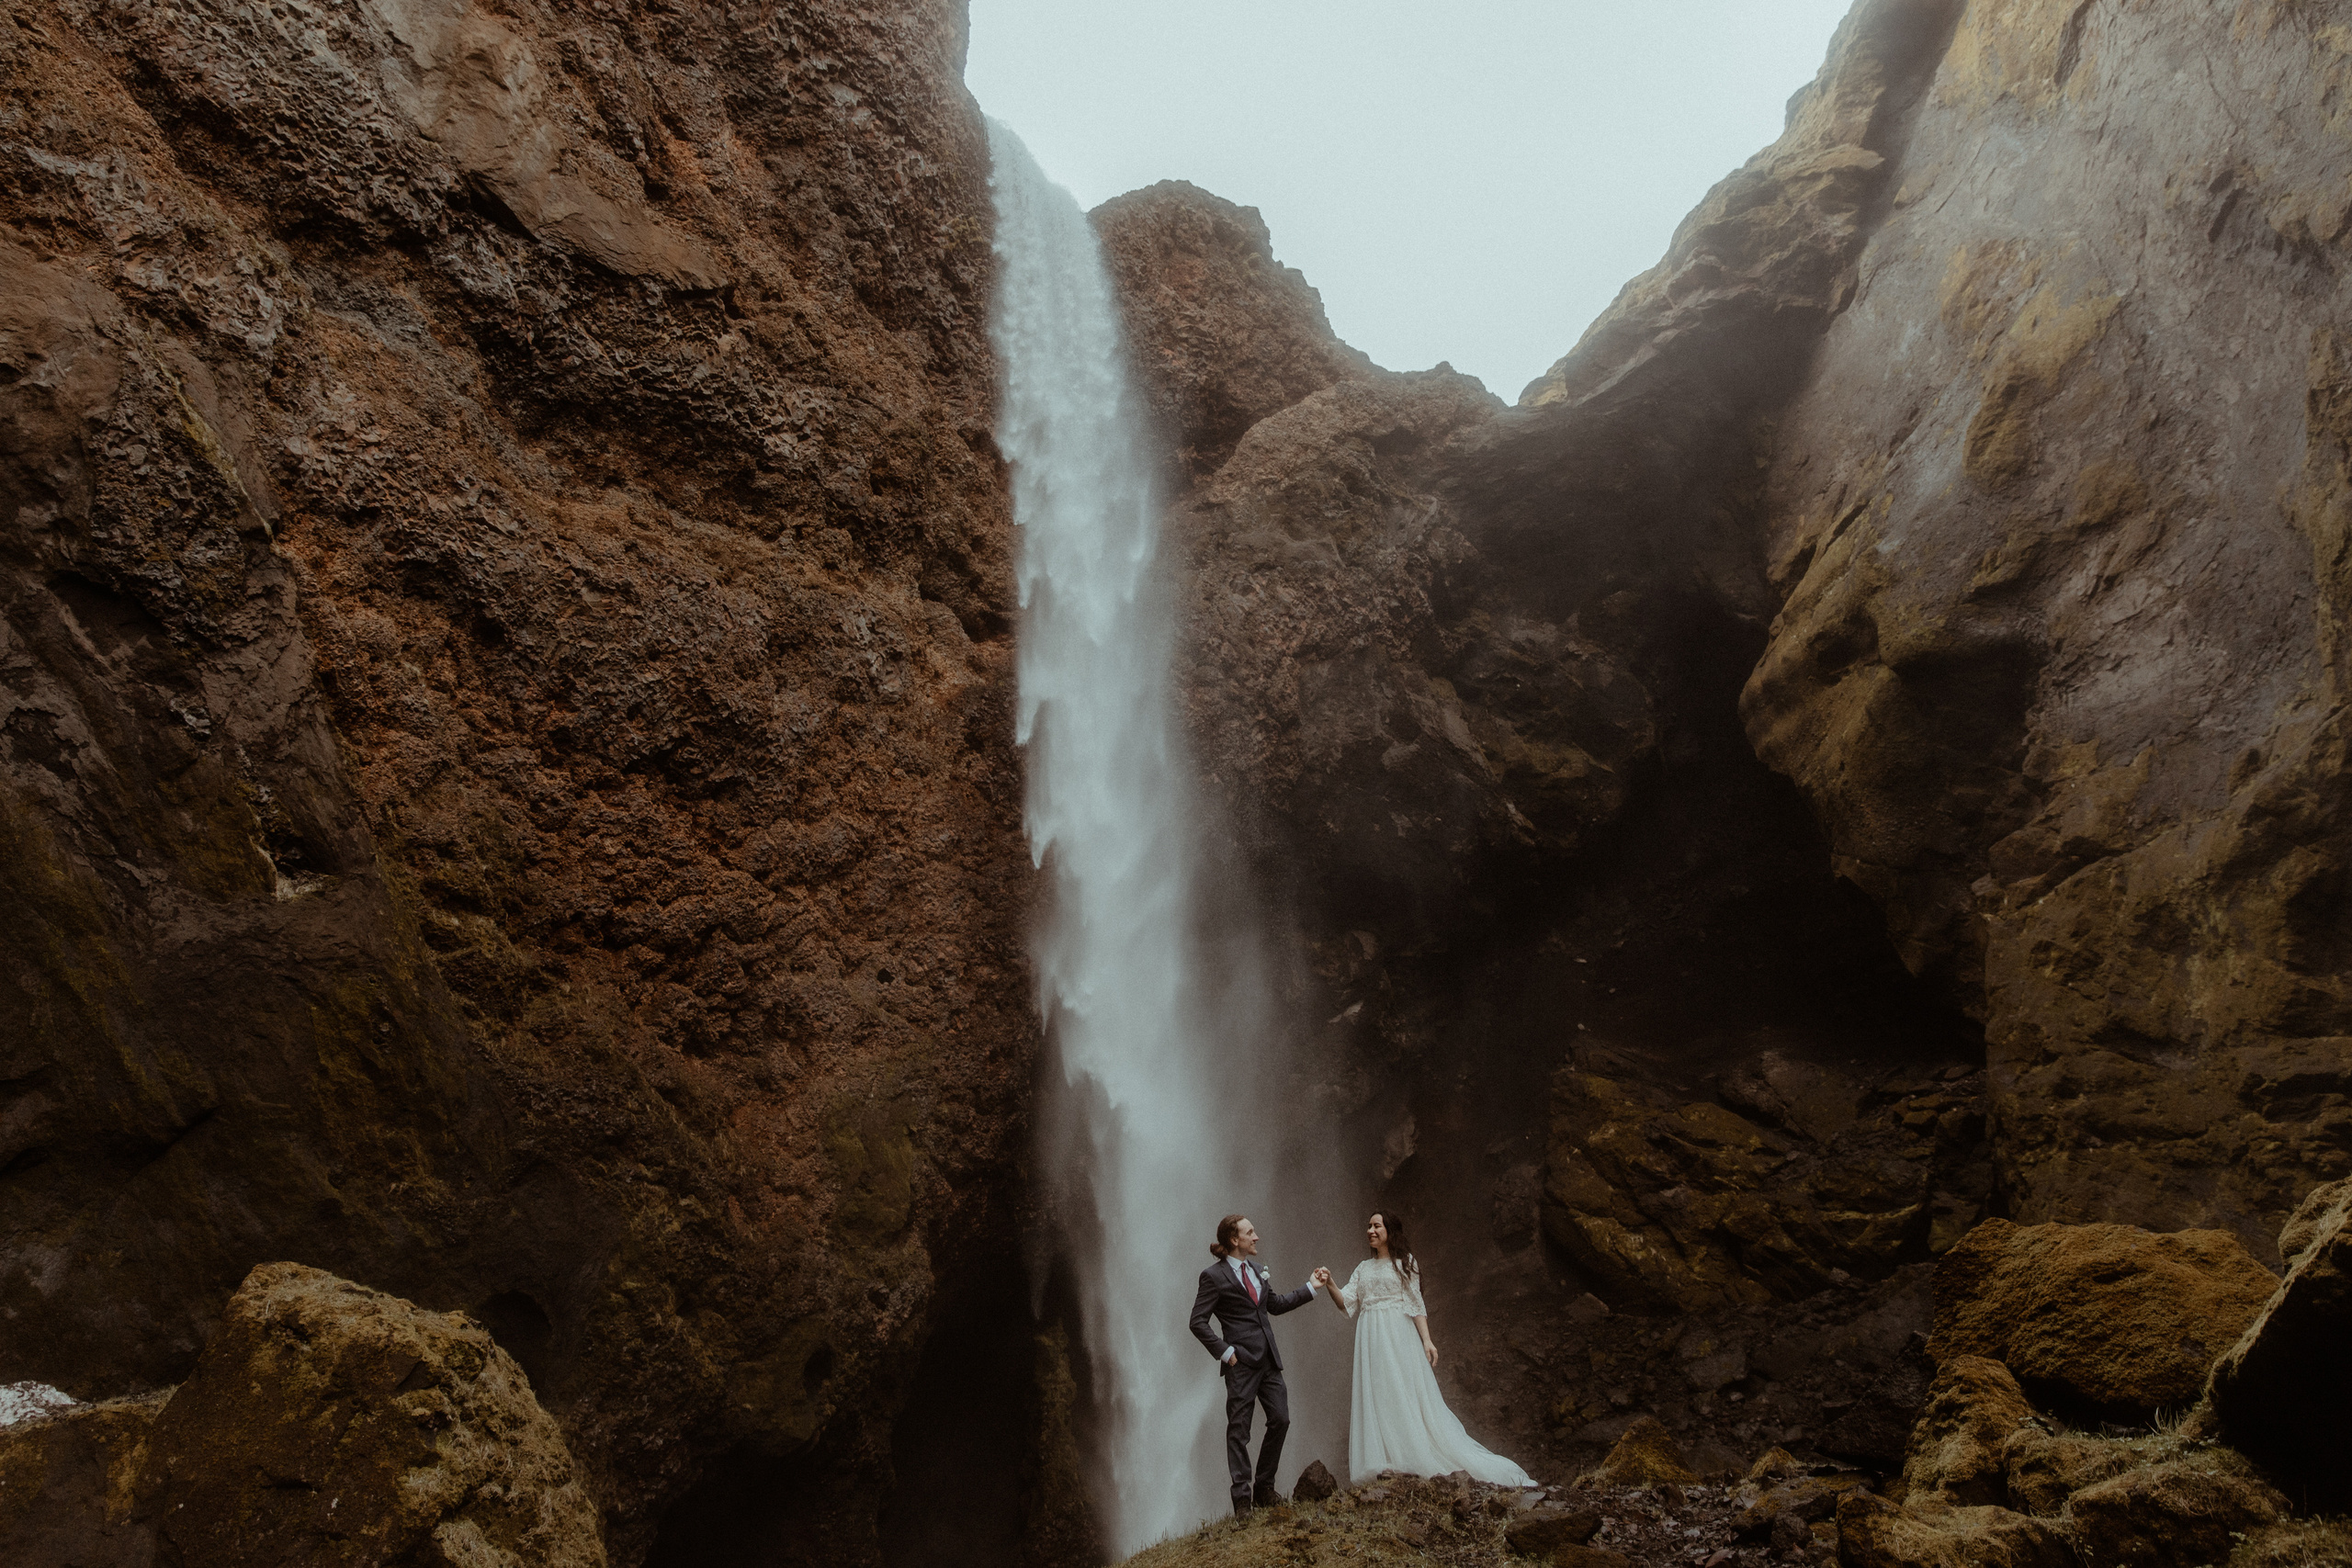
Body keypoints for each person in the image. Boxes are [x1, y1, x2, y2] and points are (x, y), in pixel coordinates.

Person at [1313, 1210, 1533, 1486]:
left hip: (1397, 1333)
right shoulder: (1363, 1268)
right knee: (1378, 1390)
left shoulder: (1405, 1263)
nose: (1370, 1230)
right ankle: (1387, 1459)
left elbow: (1416, 1304)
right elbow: (1346, 1303)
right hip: (1370, 1336)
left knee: (1402, 1388)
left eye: (1376, 1226)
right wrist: (1330, 1282)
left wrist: (1427, 1340)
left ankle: (1411, 1455)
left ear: (1390, 1231)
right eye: (1368, 1226)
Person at [1189, 1213, 1322, 1515]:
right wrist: (1225, 1352)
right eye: (1250, 1232)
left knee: (1281, 1419)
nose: (1256, 1237)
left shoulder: (1259, 1270)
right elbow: (1197, 1321)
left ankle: (1264, 1487)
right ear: (1235, 1240)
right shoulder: (1213, 1276)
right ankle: (1242, 1501)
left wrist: (1311, 1287)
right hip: (1241, 1363)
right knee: (1239, 1429)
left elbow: (1274, 1305)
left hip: (1269, 1361)